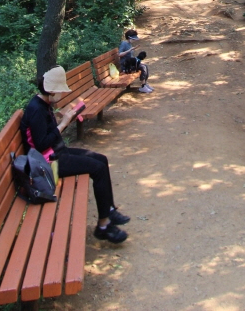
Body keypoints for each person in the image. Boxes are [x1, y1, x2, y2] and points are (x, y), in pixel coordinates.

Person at [21, 65, 130, 243]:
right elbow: (40, 145)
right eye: (60, 91)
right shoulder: (36, 110)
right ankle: (103, 226)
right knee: (97, 169)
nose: (62, 95)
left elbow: (46, 135)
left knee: (101, 160)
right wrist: (64, 123)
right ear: (51, 90)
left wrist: (63, 119)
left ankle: (109, 211)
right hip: (49, 165)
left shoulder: (44, 104)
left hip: (57, 153)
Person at [119, 28, 153, 93]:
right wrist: (130, 50)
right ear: (129, 38)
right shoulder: (124, 43)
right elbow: (119, 54)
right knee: (143, 67)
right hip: (126, 65)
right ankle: (143, 86)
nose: (134, 40)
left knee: (145, 66)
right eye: (133, 39)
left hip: (131, 63)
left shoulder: (129, 44)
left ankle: (144, 84)